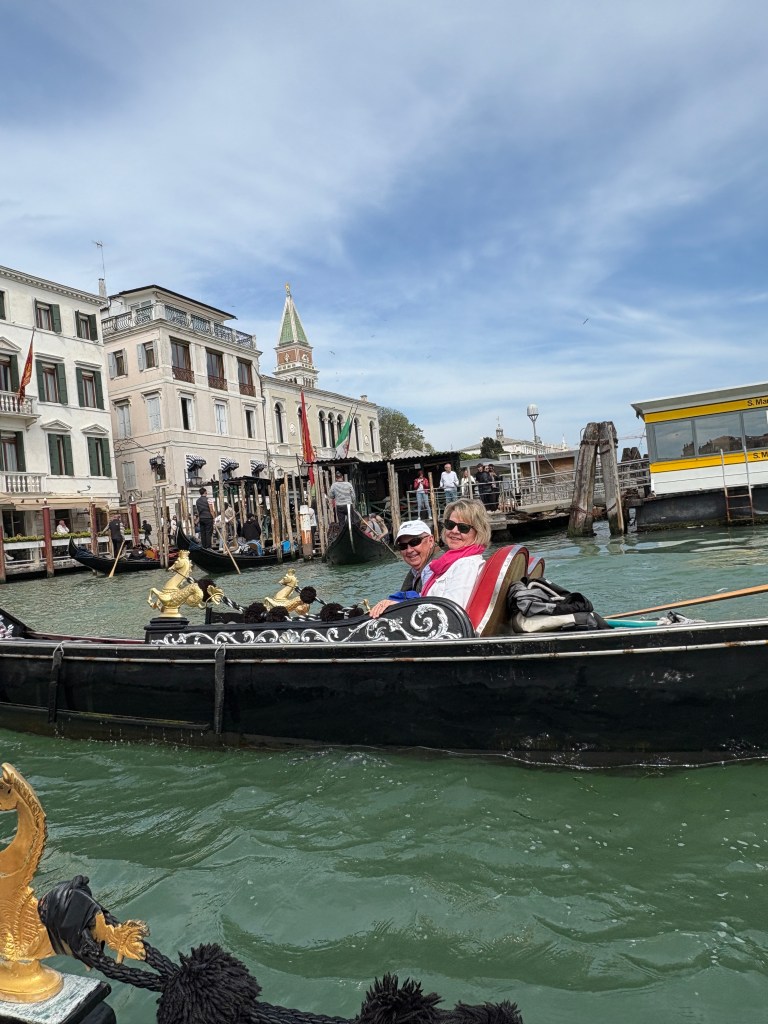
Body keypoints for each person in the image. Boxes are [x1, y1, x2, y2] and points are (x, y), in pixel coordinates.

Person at [418, 498, 490, 609]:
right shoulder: (453, 562)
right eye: (450, 524)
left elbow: (450, 611)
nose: (454, 531)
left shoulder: (466, 565)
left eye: (463, 528)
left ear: (478, 532)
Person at [369, 520, 436, 618]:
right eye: (403, 546)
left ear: (430, 541)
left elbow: (432, 601)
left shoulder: (436, 567)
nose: (409, 550)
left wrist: (399, 603)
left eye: (415, 542)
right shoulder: (417, 570)